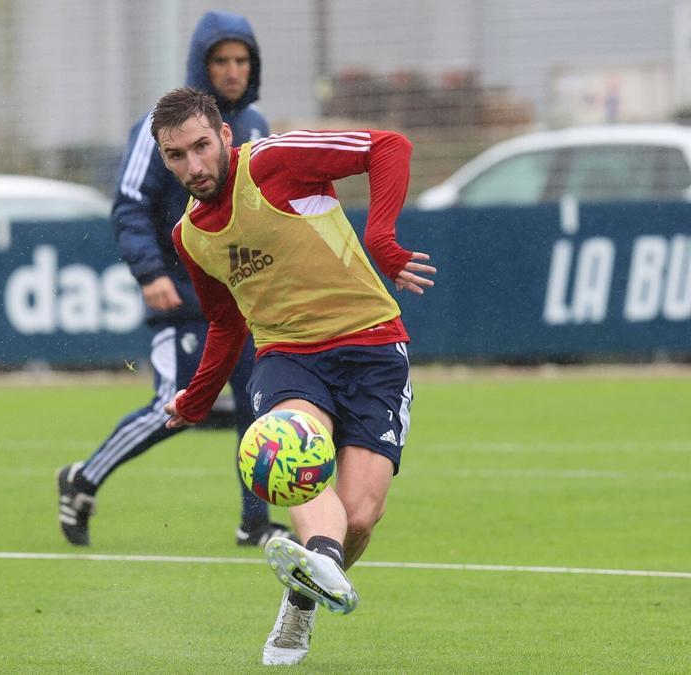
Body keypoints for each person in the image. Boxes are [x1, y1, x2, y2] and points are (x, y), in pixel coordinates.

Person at [151, 87, 435, 665]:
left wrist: (381, 239)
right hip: (287, 356)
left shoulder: (275, 162)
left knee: (361, 514)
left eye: (201, 146)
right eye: (176, 156)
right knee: (291, 450)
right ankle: (319, 558)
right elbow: (226, 324)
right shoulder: (191, 236)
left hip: (374, 348)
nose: (194, 166)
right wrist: (196, 399)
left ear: (225, 136)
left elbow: (389, 146)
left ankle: (300, 600)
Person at [57, 10, 290, 548]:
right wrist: (150, 272)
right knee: (177, 403)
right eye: (220, 60)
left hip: (244, 297)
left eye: (241, 60)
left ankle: (253, 522)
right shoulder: (157, 128)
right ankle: (83, 478)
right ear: (200, 64)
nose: (232, 70)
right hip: (183, 293)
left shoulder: (255, 126)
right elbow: (130, 204)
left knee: (259, 403)